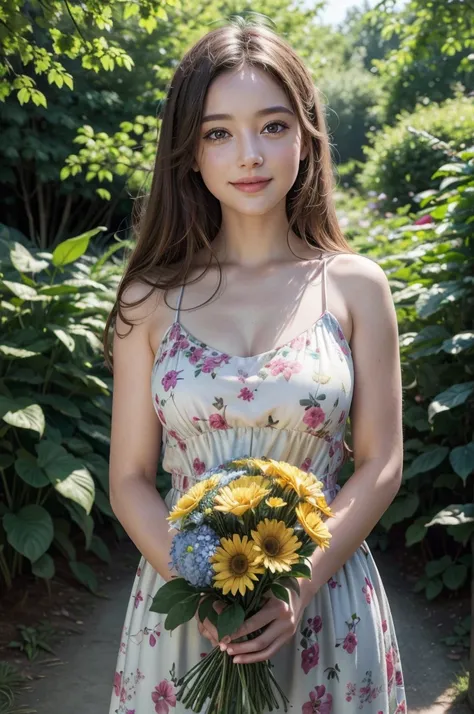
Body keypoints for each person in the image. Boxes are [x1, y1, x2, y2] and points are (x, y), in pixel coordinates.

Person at [105, 17, 407, 714]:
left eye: (272, 126)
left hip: (327, 609)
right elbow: (128, 479)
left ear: (306, 136)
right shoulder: (150, 298)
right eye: (219, 132)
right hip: (183, 621)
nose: (249, 154)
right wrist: (204, 590)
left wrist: (298, 586)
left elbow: (381, 462)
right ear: (189, 152)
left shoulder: (356, 285)